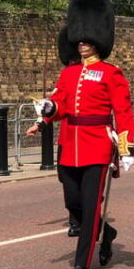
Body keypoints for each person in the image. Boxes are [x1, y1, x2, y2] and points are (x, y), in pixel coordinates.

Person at [26, 0, 134, 269]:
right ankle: (106, 232)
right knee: (72, 202)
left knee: (89, 207)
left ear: (97, 40)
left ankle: (81, 265)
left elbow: (123, 112)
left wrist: (125, 149)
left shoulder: (111, 73)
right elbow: (59, 105)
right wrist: (46, 115)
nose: (82, 42)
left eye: (87, 39)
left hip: (98, 146)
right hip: (70, 144)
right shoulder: (69, 73)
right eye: (80, 39)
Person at [54, 26, 82, 236]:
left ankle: (79, 221)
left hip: (88, 136)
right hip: (67, 136)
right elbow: (57, 103)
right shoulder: (66, 75)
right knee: (66, 179)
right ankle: (76, 215)